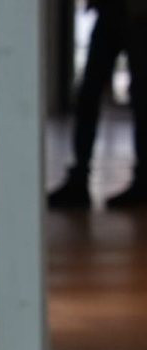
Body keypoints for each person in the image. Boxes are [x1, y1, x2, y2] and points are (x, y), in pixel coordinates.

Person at [49, 0, 147, 209]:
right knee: (90, 94)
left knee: (135, 96)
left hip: (134, 14)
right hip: (117, 11)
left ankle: (139, 179)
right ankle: (79, 177)